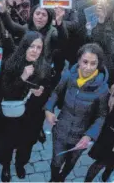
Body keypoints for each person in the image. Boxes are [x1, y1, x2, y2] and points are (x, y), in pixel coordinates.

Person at [44, 43, 109, 182]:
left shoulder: (102, 88)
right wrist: (49, 110)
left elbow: (101, 115)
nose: (88, 67)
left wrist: (89, 136)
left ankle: (62, 178)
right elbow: (55, 93)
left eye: (93, 63)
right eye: (85, 62)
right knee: (56, 161)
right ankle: (54, 179)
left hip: (80, 136)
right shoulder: (68, 76)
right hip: (61, 129)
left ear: (98, 64)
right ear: (79, 60)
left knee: (71, 162)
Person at [0, 32, 51, 182]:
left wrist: (41, 92)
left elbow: (48, 90)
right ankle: (6, 166)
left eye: (39, 47)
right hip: (11, 114)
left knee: (26, 144)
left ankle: (20, 164)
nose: (35, 50)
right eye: (32, 46)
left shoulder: (44, 65)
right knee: (7, 143)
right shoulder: (11, 63)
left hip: (31, 115)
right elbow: (6, 91)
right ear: (25, 46)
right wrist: (22, 78)